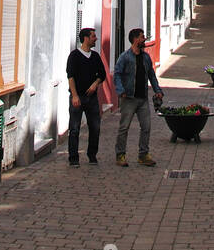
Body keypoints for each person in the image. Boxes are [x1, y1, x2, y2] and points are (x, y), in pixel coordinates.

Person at [113, 28, 163, 166]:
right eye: (142, 37)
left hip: (143, 99)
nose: (144, 39)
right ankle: (120, 155)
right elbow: (117, 74)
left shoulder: (146, 57)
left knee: (146, 127)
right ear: (135, 39)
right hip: (128, 98)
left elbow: (151, 75)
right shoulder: (125, 57)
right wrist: (120, 90)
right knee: (124, 127)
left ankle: (143, 154)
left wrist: (157, 90)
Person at [65, 28, 107, 166]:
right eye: (93, 36)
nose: (96, 39)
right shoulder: (74, 56)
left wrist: (95, 84)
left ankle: (92, 155)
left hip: (92, 99)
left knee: (95, 127)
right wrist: (75, 96)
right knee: (74, 128)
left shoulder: (95, 56)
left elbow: (102, 74)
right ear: (86, 38)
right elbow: (70, 77)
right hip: (78, 97)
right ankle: (73, 158)